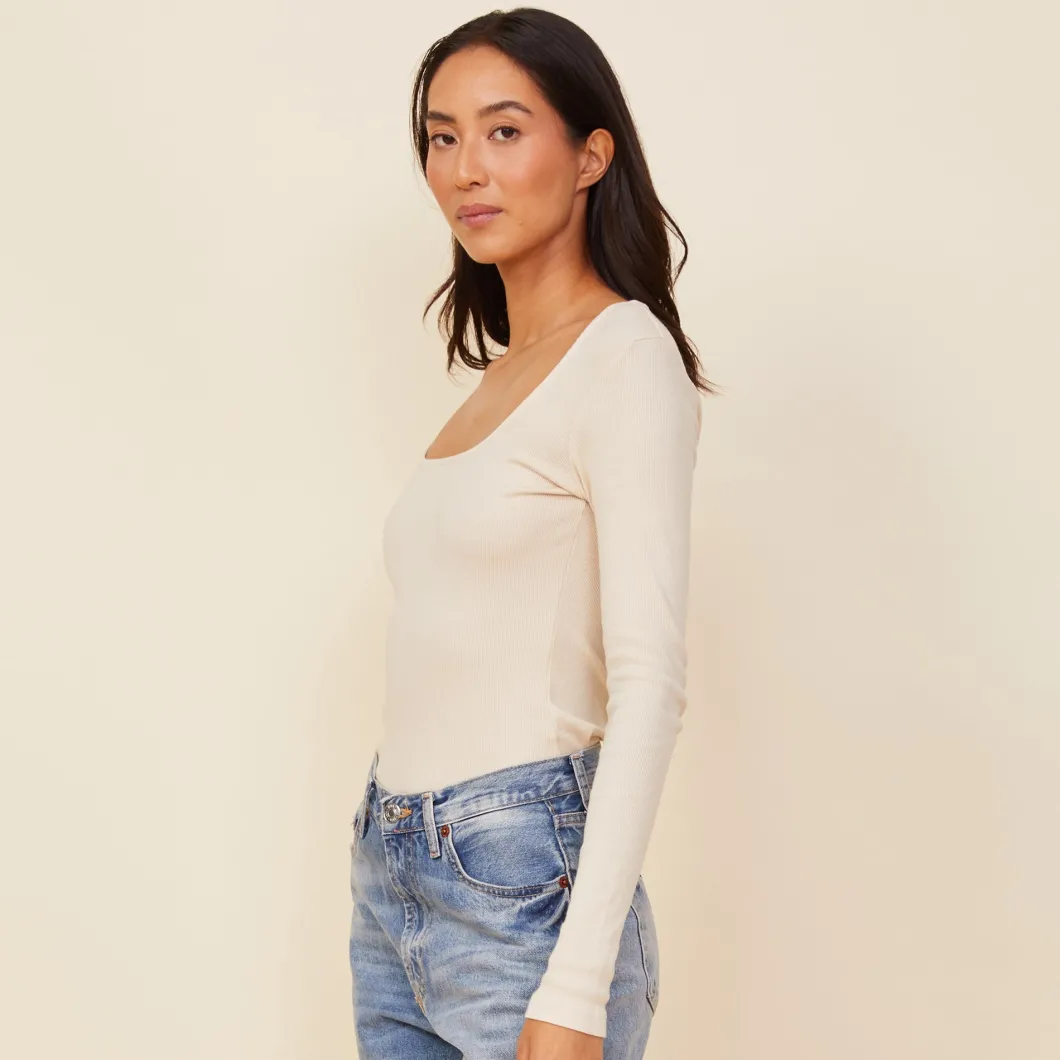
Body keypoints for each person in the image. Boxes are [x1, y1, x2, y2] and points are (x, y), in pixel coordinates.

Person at [348, 8, 716, 1059]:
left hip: (519, 887)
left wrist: (580, 983)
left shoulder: (624, 356)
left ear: (591, 154)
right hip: (392, 869)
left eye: (504, 131)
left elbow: (650, 682)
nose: (466, 168)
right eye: (442, 136)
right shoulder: (501, 377)